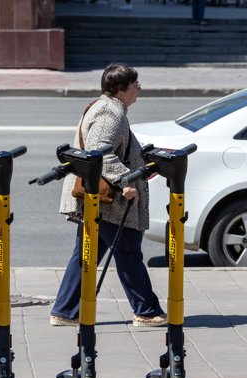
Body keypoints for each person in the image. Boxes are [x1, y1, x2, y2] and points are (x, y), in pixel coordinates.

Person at [50, 63, 166, 328]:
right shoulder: (109, 113)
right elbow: (98, 152)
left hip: (98, 199)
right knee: (128, 253)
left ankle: (65, 311)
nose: (139, 89)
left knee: (86, 255)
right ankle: (146, 311)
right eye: (136, 85)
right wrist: (126, 181)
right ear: (122, 88)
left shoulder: (108, 108)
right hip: (107, 201)